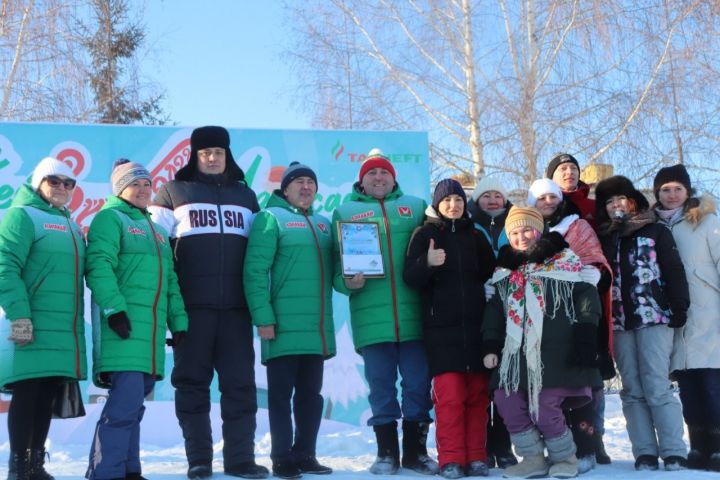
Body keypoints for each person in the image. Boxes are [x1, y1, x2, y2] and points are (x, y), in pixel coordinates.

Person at [149, 126, 267, 479]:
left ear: (228, 155)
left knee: (241, 387)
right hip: (191, 310)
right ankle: (199, 460)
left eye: (218, 152)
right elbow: (156, 251)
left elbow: (261, 254)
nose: (212, 158)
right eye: (205, 153)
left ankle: (240, 459)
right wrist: (170, 307)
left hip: (236, 310)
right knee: (191, 386)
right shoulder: (172, 192)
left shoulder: (246, 197)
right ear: (194, 155)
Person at [331, 148, 437, 476]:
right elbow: (336, 271)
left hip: (416, 316)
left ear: (394, 178)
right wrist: (348, 281)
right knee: (380, 386)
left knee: (418, 385)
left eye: (384, 173)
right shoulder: (344, 212)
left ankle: (416, 453)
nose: (379, 178)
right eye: (372, 174)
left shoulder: (417, 207)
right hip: (371, 319)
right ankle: (386, 453)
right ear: (361, 180)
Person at [84, 159, 188, 480]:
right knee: (123, 408)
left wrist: (179, 323)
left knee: (133, 408)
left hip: (151, 336)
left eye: (147, 184)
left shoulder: (157, 232)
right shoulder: (109, 219)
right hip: (124, 329)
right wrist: (114, 309)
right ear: (120, 189)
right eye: (135, 184)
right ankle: (105, 473)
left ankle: (129, 470)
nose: (143, 190)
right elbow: (99, 265)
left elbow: (170, 283)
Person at [481, 206, 601, 479]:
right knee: (506, 399)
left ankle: (565, 458)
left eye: (526, 229)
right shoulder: (503, 274)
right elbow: (494, 314)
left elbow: (587, 300)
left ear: (539, 230)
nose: (521, 236)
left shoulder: (566, 263)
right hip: (516, 355)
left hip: (557, 353)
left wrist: (585, 337)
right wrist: (489, 345)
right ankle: (533, 458)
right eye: (514, 232)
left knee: (546, 405)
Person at [244, 163, 335, 479]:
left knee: (311, 396)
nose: (306, 187)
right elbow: (254, 271)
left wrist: (352, 279)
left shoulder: (324, 225)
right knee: (281, 397)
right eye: (299, 182)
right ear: (285, 189)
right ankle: (282, 458)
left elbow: (336, 275)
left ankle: (305, 455)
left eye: (311, 181)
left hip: (316, 329)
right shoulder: (270, 219)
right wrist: (263, 318)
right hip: (281, 327)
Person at [595, 175, 689, 471]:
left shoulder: (655, 230)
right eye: (609, 201)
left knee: (657, 385)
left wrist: (678, 306)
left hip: (654, 317)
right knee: (632, 389)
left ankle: (674, 450)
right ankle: (645, 452)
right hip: (619, 322)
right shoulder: (605, 238)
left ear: (633, 200)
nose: (615, 205)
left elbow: (673, 269)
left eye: (620, 198)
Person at [0, 157, 87, 480]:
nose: (62, 188)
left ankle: (36, 465)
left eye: (69, 183)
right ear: (38, 183)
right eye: (54, 181)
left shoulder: (71, 224)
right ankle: (18, 469)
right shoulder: (22, 216)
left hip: (63, 328)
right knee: (29, 390)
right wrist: (20, 317)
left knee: (47, 391)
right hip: (30, 323)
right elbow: (4, 268)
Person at [404, 179, 496, 479]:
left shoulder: (475, 235)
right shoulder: (425, 233)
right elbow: (410, 278)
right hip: (441, 333)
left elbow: (489, 272)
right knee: (450, 398)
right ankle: (451, 459)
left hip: (475, 330)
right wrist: (426, 262)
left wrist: (491, 288)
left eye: (458, 200)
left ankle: (478, 457)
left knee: (477, 397)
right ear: (438, 204)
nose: (453, 206)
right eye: (447, 201)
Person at [527, 178, 615, 473]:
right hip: (543, 321)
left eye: (552, 197)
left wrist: (594, 274)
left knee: (584, 382)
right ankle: (558, 448)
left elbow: (594, 258)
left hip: (580, 312)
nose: (548, 202)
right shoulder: (526, 229)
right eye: (541, 198)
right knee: (549, 388)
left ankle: (591, 442)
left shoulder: (578, 226)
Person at [653, 164, 720, 471]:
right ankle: (698, 447)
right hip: (675, 319)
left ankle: (718, 447)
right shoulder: (653, 226)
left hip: (708, 314)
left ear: (687, 191)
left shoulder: (705, 220)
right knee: (688, 387)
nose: (671, 194)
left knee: (712, 383)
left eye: (677, 188)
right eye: (665, 189)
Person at [467, 175, 518, 470]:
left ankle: (504, 444)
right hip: (478, 310)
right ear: (477, 200)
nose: (493, 200)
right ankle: (483, 445)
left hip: (512, 307)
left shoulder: (516, 222)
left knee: (506, 380)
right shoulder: (468, 225)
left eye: (498, 195)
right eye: (487, 195)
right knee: (482, 380)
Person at [545, 153, 597, 229]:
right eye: (563, 168)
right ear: (552, 177)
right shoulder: (543, 206)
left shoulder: (595, 206)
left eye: (573, 168)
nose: (569, 172)